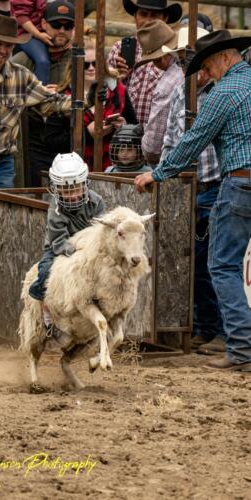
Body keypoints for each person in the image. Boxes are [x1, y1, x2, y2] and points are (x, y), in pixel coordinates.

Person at [134, 30, 251, 371]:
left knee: (223, 265)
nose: (206, 73)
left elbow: (193, 142)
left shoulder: (224, 93)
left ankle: (243, 348)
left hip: (241, 182)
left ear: (226, 58)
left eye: (209, 65)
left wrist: (157, 174)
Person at [160, 25, 225, 355]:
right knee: (196, 262)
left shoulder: (221, 93)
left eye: (194, 58)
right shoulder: (179, 95)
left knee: (216, 259)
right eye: (185, 58)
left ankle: (221, 330)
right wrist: (168, 176)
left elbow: (187, 143)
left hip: (215, 185)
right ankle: (206, 327)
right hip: (188, 187)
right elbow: (171, 142)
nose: (191, 65)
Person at [0, 14, 72, 189]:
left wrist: (85, 101)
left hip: (1, 161)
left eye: (8, 45)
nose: (3, 50)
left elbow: (51, 102)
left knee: (1, 213)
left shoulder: (21, 76)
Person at [29, 152, 105, 343]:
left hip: (91, 252)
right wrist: (76, 253)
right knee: (45, 271)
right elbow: (58, 241)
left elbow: (101, 232)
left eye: (76, 189)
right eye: (65, 190)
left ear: (85, 184)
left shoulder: (97, 202)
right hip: (61, 250)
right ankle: (47, 318)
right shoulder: (56, 209)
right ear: (56, 189)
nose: (72, 195)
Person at [12, 0, 74, 186]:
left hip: (69, 139)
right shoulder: (22, 60)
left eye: (68, 25)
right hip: (33, 139)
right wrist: (36, 96)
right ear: (44, 24)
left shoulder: (82, 61)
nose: (61, 30)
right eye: (56, 25)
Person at [107, 0, 182, 129]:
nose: (148, 21)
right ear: (135, 17)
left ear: (165, 18)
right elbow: (106, 95)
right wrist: (118, 78)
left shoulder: (174, 52)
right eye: (143, 14)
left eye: (154, 15)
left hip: (160, 134)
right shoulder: (119, 49)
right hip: (123, 134)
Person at [83, 34, 137, 171]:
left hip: (113, 167)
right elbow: (54, 140)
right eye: (85, 65)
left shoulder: (117, 91)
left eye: (95, 63)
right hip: (78, 168)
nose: (91, 68)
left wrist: (123, 127)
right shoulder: (66, 95)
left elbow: (134, 127)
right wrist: (86, 133)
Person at [136, 20, 184, 167]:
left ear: (160, 58)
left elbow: (153, 147)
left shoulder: (165, 86)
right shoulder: (188, 68)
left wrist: (144, 150)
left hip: (175, 163)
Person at [11, 0, 54, 85]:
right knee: (43, 61)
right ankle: (42, 94)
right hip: (28, 35)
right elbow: (21, 17)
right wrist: (38, 34)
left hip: (47, 32)